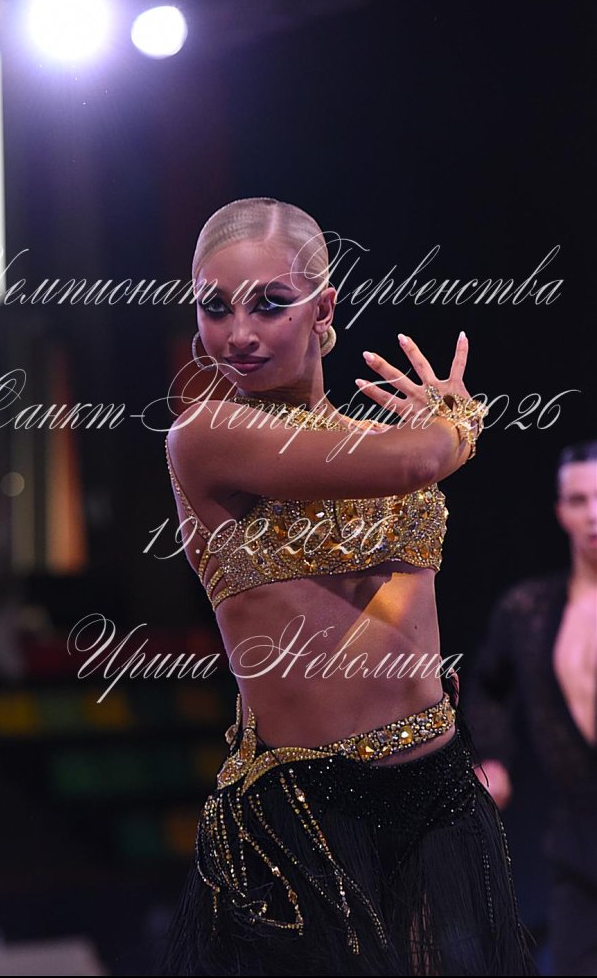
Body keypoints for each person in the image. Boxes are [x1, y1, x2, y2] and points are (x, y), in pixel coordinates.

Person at [158, 196, 538, 976]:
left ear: (324, 308)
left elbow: (401, 581)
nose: (238, 333)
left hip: (439, 796)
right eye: (215, 306)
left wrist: (430, 433)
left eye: (269, 303)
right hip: (302, 814)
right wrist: (457, 423)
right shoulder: (205, 437)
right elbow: (418, 460)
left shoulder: (379, 442)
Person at [464, 440, 597, 977]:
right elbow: (488, 686)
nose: (594, 514)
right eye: (579, 500)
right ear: (561, 511)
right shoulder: (529, 611)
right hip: (577, 840)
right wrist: (493, 757)